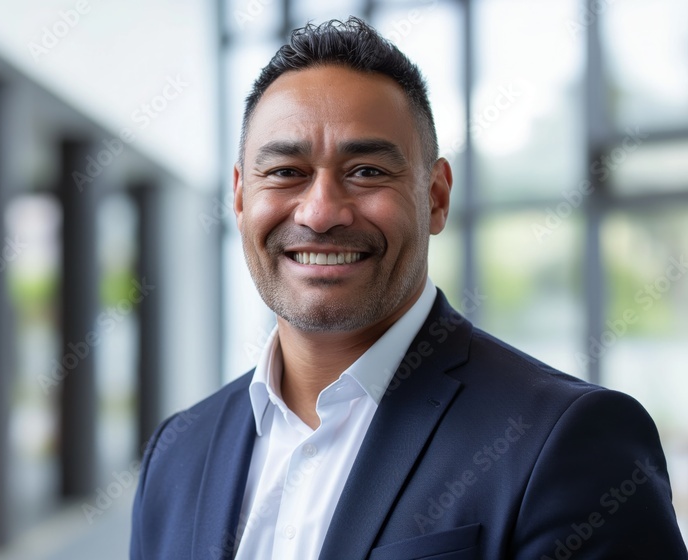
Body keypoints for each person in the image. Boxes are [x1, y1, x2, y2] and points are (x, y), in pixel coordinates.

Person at [130, 16, 687, 560]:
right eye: (285, 172)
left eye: (367, 171)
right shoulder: (178, 452)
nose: (321, 212)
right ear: (240, 197)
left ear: (437, 197)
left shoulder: (567, 442)